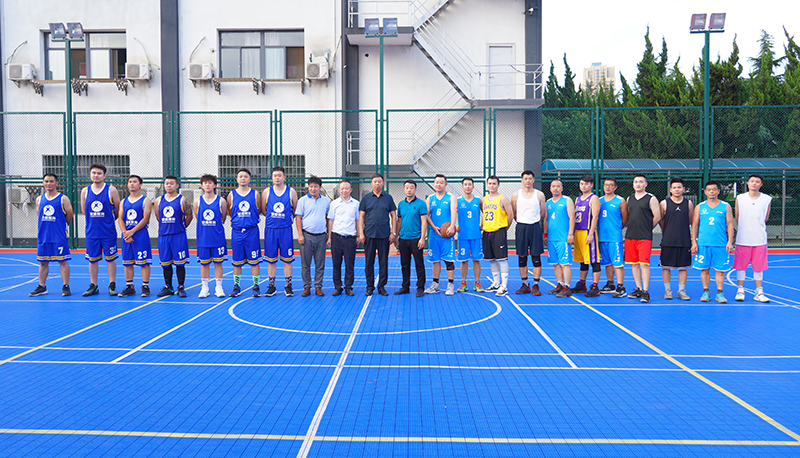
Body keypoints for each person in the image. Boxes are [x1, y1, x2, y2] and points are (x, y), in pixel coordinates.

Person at [29, 173, 74, 297]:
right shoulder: (39, 199)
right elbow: (39, 215)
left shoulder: (63, 199)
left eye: (51, 181)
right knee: (43, 262)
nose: (49, 184)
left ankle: (65, 286)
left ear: (57, 183)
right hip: (44, 236)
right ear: (43, 183)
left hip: (58, 236)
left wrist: (62, 227)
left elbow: (69, 215)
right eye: (46, 181)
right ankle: (42, 286)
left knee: (62, 261)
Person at [81, 163, 120, 296]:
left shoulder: (111, 190)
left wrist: (108, 222)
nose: (96, 175)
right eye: (93, 173)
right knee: (92, 260)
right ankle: (93, 285)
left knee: (110, 259)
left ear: (104, 175)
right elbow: (84, 211)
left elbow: (117, 210)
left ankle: (112, 284)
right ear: (90, 175)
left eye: (99, 173)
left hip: (108, 232)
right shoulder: (85, 191)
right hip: (92, 232)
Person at [691, 180, 734, 303]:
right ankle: (706, 292)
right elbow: (694, 225)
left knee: (720, 270)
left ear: (718, 191)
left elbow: (730, 224)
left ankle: (720, 293)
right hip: (703, 243)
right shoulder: (700, 207)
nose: (711, 192)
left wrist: (730, 241)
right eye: (709, 190)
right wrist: (694, 242)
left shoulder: (725, 206)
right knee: (704, 269)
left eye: (714, 189)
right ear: (705, 192)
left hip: (720, 243)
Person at [733, 173, 772, 302]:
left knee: (758, 267)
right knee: (741, 266)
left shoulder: (767, 199)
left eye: (757, 181)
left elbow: (765, 218)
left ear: (761, 184)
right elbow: (737, 217)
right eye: (752, 181)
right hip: (743, 239)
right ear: (747, 183)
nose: (754, 183)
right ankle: (740, 290)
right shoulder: (740, 198)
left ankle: (759, 292)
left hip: (759, 239)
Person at [624, 174, 662, 303]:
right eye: (636, 182)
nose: (638, 184)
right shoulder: (629, 198)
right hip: (630, 236)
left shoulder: (651, 198)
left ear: (646, 184)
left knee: (644, 264)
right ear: (633, 184)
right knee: (634, 264)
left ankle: (645, 291)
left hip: (644, 237)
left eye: (641, 182)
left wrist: (647, 228)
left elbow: (657, 216)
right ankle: (639, 289)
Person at [358, 173, 397, 296]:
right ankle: (369, 287)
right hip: (369, 234)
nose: (377, 184)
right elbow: (361, 217)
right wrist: (361, 233)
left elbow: (393, 216)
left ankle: (381, 286)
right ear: (371, 183)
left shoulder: (388, 198)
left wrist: (393, 232)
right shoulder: (366, 198)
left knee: (383, 262)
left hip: (384, 235)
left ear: (383, 183)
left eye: (379, 181)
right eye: (375, 181)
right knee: (369, 262)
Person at [262, 166, 298, 297]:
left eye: (279, 175)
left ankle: (288, 285)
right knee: (271, 260)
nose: (277, 178)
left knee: (287, 260)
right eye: (275, 175)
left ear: (284, 177)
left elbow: (295, 209)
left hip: (285, 230)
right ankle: (272, 286)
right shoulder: (266, 192)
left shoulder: (291, 192)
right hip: (271, 229)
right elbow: (264, 210)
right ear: (272, 178)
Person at [154, 175, 193, 297]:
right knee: (165, 263)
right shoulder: (158, 201)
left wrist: (181, 227)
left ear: (177, 185)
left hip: (178, 236)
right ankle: (168, 286)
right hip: (164, 236)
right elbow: (158, 217)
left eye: (171, 183)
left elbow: (189, 216)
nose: (169, 185)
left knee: (180, 263)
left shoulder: (183, 200)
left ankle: (181, 286)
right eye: (166, 183)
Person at [510, 170, 547, 295]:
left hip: (535, 227)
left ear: (533, 180)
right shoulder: (516, 195)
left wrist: (533, 221)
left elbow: (542, 212)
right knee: (522, 257)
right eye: (525, 178)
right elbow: (514, 213)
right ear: (522, 180)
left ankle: (536, 285)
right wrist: (523, 221)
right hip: (521, 227)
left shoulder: (539, 194)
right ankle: (525, 284)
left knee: (536, 257)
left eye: (530, 178)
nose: (528, 181)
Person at [228, 168, 263, 297]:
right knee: (237, 261)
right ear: (237, 179)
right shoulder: (231, 195)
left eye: (245, 176)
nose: (243, 178)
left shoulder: (255, 194)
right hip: (237, 232)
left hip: (251, 231)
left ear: (249, 179)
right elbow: (230, 212)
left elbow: (259, 209)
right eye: (241, 176)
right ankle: (236, 286)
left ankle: (256, 286)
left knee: (254, 260)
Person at [117, 175, 152, 297]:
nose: (132, 184)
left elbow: (145, 218)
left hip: (140, 234)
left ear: (140, 184)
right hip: (126, 235)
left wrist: (132, 231)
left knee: (143, 262)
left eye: (135, 182)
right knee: (127, 262)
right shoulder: (123, 201)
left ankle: (145, 286)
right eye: (130, 182)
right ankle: (129, 286)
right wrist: (125, 232)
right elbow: (120, 218)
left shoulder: (145, 200)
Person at [659, 177, 694, 300]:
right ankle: (668, 290)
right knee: (666, 266)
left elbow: (689, 220)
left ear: (683, 189)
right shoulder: (664, 203)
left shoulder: (688, 203)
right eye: (674, 187)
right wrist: (668, 231)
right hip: (668, 241)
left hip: (684, 241)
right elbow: (661, 220)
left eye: (679, 187)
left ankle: (681, 290)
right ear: (670, 190)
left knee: (683, 267)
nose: (677, 189)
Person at [296, 176, 330, 297]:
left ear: (320, 188)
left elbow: (328, 219)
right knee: (305, 264)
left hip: (321, 236)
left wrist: (328, 235)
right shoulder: (302, 200)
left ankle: (318, 286)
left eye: (316, 186)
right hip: (306, 235)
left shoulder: (325, 201)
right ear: (308, 187)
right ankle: (306, 287)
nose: (313, 189)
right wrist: (300, 235)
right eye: (311, 186)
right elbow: (298, 218)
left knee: (320, 263)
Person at [194, 174, 228, 298]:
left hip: (217, 238)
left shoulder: (221, 201)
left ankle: (219, 287)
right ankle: (205, 287)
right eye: (205, 183)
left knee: (218, 263)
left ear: (215, 185)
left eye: (210, 182)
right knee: (204, 264)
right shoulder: (197, 201)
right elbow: (198, 217)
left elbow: (223, 218)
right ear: (202, 186)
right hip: (203, 238)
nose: (207, 185)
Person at [481, 175, 514, 297]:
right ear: (487, 185)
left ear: (498, 185)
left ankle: (504, 286)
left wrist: (504, 228)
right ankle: (496, 283)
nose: (492, 185)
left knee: (502, 259)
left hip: (499, 231)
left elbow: (510, 215)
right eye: (490, 183)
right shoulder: (483, 200)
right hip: (487, 232)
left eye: (494, 183)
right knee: (492, 259)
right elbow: (484, 214)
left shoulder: (503, 199)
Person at [424, 174, 458, 295]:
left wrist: (452, 226)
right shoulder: (430, 198)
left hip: (447, 234)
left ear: (445, 184)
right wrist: (433, 227)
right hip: (434, 234)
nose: (438, 184)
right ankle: (435, 284)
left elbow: (454, 211)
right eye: (436, 182)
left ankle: (450, 285)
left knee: (448, 260)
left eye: (441, 182)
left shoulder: (451, 197)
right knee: (435, 260)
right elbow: (426, 214)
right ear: (434, 184)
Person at [570, 174, 602, 297]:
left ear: (591, 185)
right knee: (583, 260)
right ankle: (582, 284)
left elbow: (595, 217)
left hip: (588, 231)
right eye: (582, 184)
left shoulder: (593, 198)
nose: (584, 186)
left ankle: (595, 286)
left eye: (586, 184)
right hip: (578, 232)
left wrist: (591, 233)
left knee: (593, 260)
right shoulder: (578, 199)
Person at [394, 179, 428, 297]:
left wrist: (422, 238)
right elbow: (399, 221)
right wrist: (396, 236)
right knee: (404, 264)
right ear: (404, 189)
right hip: (403, 239)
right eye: (407, 188)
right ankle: (405, 287)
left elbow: (424, 222)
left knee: (419, 264)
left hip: (416, 239)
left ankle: (420, 287)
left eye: (411, 188)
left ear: (415, 189)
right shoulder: (401, 204)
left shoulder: (421, 203)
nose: (409, 190)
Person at [327, 179, 359, 296]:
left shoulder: (356, 204)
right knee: (336, 264)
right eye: (342, 188)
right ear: (339, 190)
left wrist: (358, 235)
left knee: (349, 264)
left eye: (347, 188)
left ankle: (348, 287)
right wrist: (329, 237)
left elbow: (358, 221)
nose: (344, 190)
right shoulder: (334, 204)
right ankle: (337, 287)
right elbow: (330, 220)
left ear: (351, 190)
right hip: (336, 237)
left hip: (350, 238)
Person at [597, 177, 628, 298]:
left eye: (610, 185)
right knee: (607, 262)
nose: (608, 187)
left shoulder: (620, 201)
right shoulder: (599, 200)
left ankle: (621, 287)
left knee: (617, 262)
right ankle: (611, 284)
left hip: (614, 236)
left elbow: (625, 218)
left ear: (615, 187)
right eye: (606, 185)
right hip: (602, 236)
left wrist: (617, 228)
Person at [545, 179, 575, 297]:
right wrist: (545, 234)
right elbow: (546, 219)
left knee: (564, 263)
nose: (555, 188)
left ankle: (567, 287)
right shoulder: (548, 202)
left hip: (563, 238)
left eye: (558, 186)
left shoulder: (567, 200)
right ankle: (560, 284)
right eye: (553, 186)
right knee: (555, 263)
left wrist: (570, 234)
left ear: (562, 188)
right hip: (552, 238)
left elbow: (572, 217)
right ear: (550, 188)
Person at [456, 177, 483, 293]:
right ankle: (463, 283)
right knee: (464, 260)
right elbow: (451, 214)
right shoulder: (457, 201)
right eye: (465, 184)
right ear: (462, 187)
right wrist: (454, 226)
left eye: (469, 184)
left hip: (476, 235)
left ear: (473, 186)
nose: (467, 186)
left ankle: (477, 283)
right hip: (463, 235)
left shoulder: (478, 200)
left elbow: (486, 213)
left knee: (476, 260)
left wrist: (482, 225)